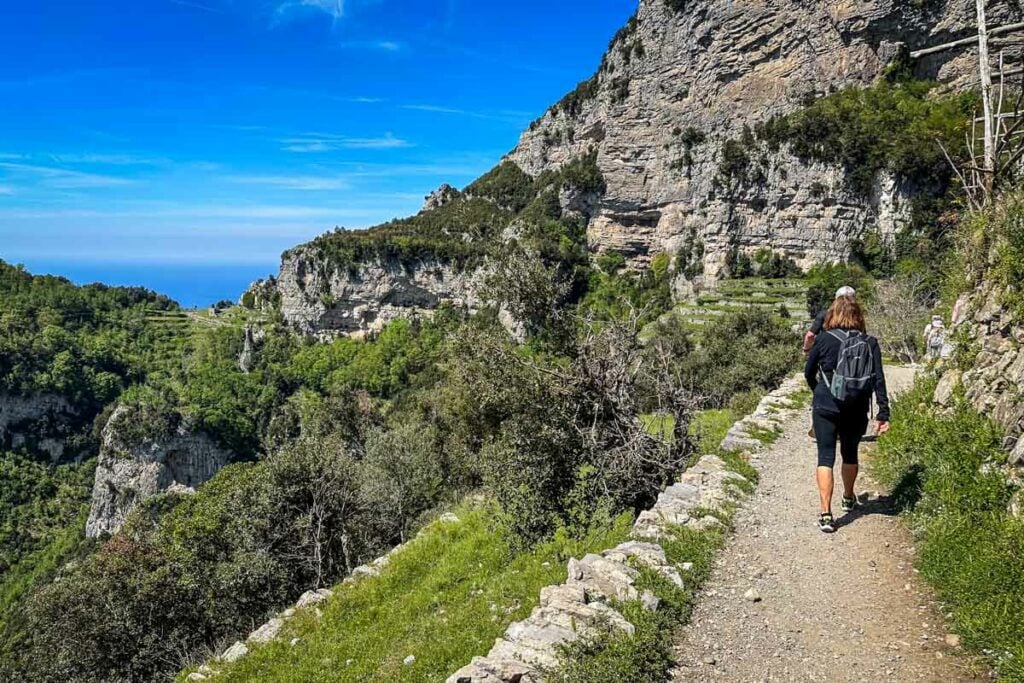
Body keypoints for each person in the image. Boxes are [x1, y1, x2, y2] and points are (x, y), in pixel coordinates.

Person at [804, 296, 890, 533]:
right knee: (850, 453)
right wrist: (883, 412)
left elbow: (808, 372)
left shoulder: (823, 339)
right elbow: (879, 380)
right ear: (859, 317)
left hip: (826, 405)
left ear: (832, 314)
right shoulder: (870, 342)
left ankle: (826, 514)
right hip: (857, 406)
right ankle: (849, 496)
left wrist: (821, 391)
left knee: (825, 456)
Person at [803, 285, 857, 354]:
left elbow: (810, 335)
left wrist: (806, 350)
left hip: (828, 352)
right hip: (851, 353)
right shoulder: (857, 317)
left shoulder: (824, 314)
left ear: (836, 299)